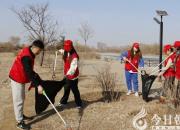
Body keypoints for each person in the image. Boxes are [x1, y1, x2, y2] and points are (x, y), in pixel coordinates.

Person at [9, 40, 44, 129]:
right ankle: (19, 122)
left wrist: (36, 77)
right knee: (18, 100)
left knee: (22, 98)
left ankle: (21, 116)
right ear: (35, 47)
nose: (39, 53)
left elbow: (29, 71)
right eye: (39, 50)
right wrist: (38, 85)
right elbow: (28, 72)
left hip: (21, 77)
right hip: (16, 78)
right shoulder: (26, 56)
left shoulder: (29, 51)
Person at [57, 40, 82, 108]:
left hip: (73, 76)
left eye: (68, 47)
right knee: (66, 88)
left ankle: (79, 104)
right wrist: (57, 50)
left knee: (75, 90)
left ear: (71, 47)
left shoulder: (74, 56)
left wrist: (67, 75)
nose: (66, 49)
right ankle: (63, 102)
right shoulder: (65, 51)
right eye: (65, 47)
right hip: (67, 75)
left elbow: (73, 68)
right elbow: (61, 50)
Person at [173, 41, 180, 107]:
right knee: (176, 88)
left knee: (177, 88)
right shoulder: (176, 55)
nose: (174, 48)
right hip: (177, 75)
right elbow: (175, 65)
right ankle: (176, 102)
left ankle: (177, 101)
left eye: (175, 47)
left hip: (178, 75)